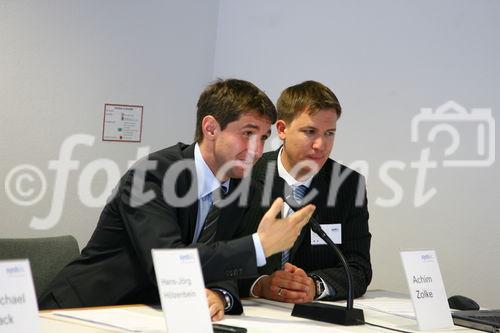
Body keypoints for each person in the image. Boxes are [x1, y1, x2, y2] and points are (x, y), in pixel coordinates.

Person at [39, 79, 315, 321]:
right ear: (210, 128)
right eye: (248, 134)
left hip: (159, 315)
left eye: (264, 138)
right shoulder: (154, 176)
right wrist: (258, 246)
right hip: (85, 310)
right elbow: (166, 261)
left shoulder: (245, 188)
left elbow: (223, 260)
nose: (257, 150)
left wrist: (220, 296)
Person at [240, 80, 371, 303]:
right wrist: (259, 284)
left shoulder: (349, 184)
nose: (321, 145)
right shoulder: (245, 174)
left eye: (329, 133)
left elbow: (358, 268)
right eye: (310, 132)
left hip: (311, 316)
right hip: (253, 309)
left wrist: (313, 285)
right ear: (282, 129)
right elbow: (217, 256)